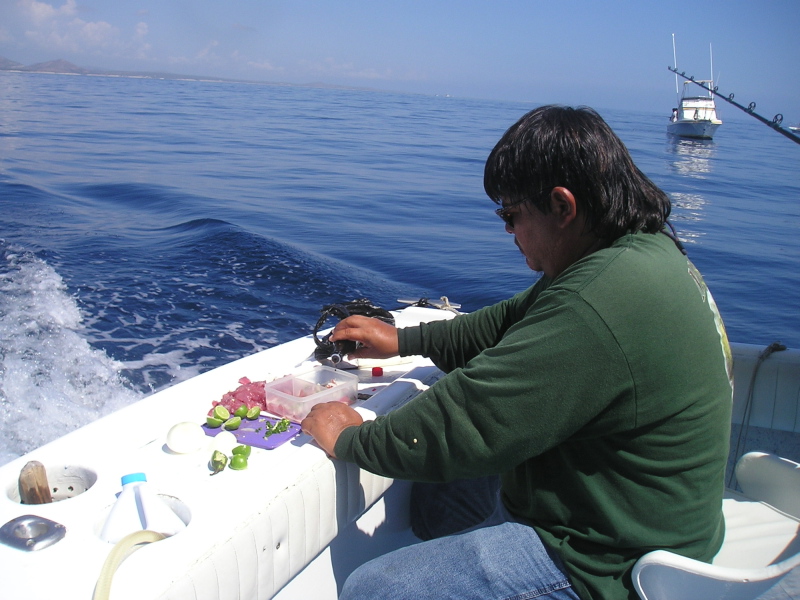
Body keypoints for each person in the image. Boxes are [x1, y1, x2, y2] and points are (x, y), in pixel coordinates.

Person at [301, 105, 733, 600]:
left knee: (375, 588)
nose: (507, 232)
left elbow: (469, 419)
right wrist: (403, 340)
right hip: (641, 519)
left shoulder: (597, 301)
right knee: (445, 501)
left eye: (511, 215)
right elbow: (510, 321)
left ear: (562, 206)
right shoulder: (637, 252)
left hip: (610, 562)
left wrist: (353, 437)